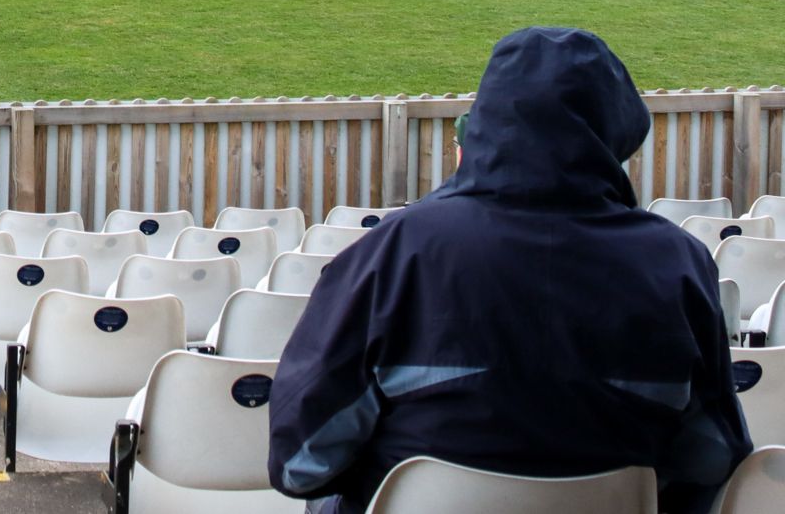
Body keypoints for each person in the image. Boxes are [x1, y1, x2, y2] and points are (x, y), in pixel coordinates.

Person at [269, 27, 748, 513]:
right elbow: (714, 456)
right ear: (618, 129)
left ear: (484, 123)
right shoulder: (678, 261)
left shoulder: (395, 251)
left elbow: (300, 463)